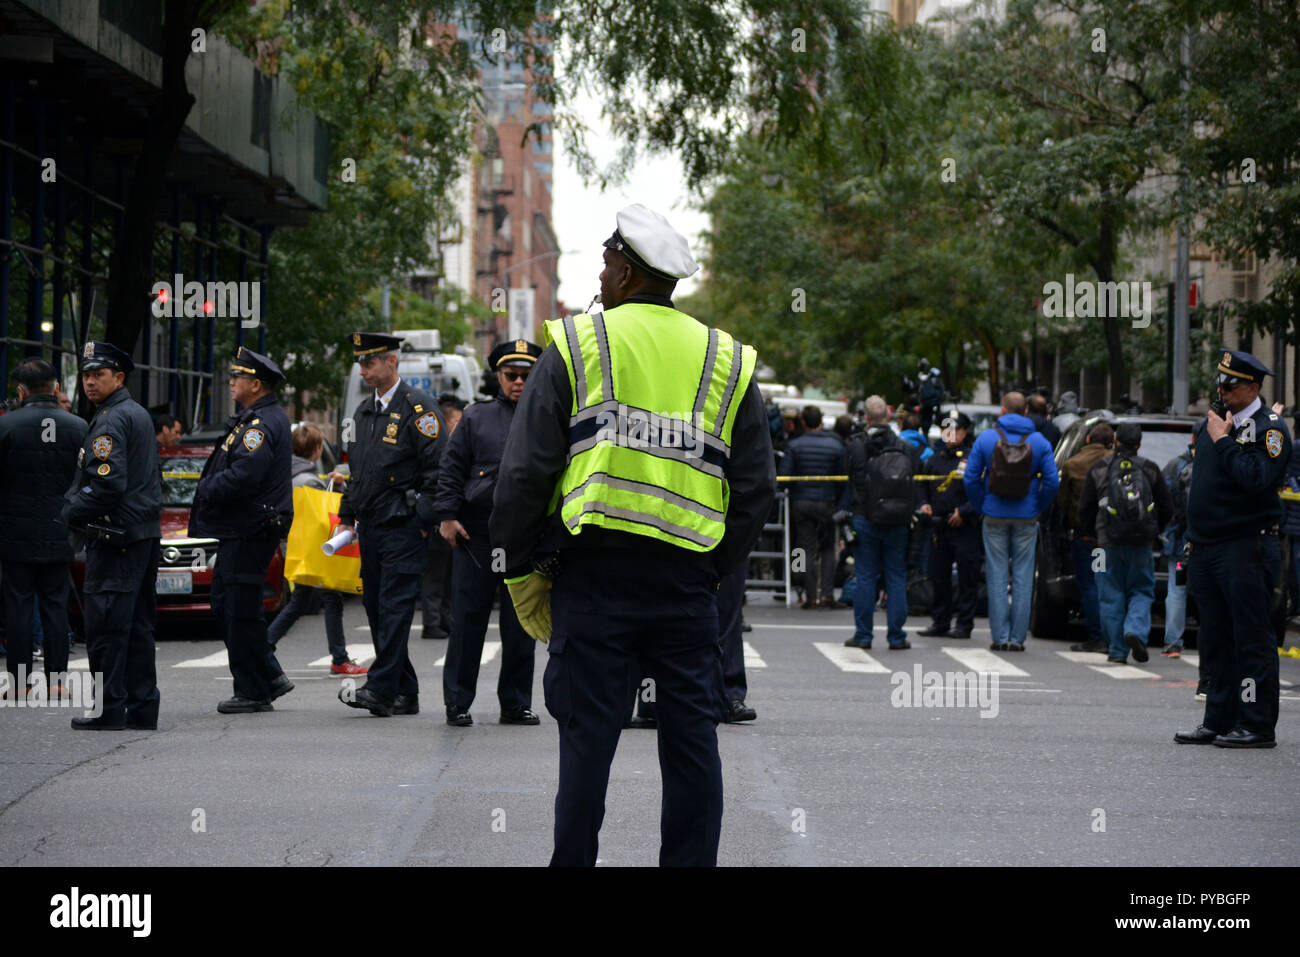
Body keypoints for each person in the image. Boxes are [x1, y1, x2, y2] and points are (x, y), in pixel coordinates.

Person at [490, 203, 775, 866]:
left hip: (593, 581)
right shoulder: (727, 359)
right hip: (686, 588)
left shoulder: (575, 345)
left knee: (586, 749)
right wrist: (712, 568)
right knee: (692, 748)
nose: (598, 275)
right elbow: (756, 489)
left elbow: (525, 474)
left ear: (622, 271)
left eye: (603, 264)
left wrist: (519, 568)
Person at [1175, 349, 1291, 749]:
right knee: (1215, 637)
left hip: (1246, 546)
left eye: (1231, 384)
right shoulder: (1216, 423)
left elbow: (1256, 479)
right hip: (1208, 547)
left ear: (1254, 388)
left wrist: (1224, 442)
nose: (1221, 390)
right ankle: (1218, 718)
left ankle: (1256, 724)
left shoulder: (1269, 429)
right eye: (1220, 382)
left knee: (1251, 639)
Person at [434, 338, 542, 727]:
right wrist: (446, 515)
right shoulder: (476, 418)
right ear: (498, 376)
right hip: (476, 534)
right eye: (511, 375)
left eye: (527, 376)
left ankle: (515, 703)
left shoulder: (547, 416)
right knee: (467, 621)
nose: (519, 382)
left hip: (525, 536)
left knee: (520, 624)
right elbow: (451, 468)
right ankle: (457, 701)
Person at [336, 332, 445, 717]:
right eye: (361, 363)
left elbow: (438, 471)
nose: (364, 370)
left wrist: (422, 521)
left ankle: (380, 689)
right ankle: (406, 691)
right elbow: (357, 473)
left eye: (370, 362)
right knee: (377, 610)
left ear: (392, 362)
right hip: (372, 528)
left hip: (404, 527)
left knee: (394, 608)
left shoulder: (419, 408)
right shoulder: (364, 413)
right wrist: (346, 516)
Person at [61, 341, 161, 730]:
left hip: (115, 536)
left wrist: (69, 510)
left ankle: (108, 710)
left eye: (98, 374)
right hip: (139, 535)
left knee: (106, 627)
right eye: (86, 375)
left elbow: (106, 484)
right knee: (136, 626)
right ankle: (141, 708)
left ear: (118, 377)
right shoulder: (133, 413)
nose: (89, 382)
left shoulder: (111, 419)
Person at [190, 347, 294, 714]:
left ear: (256, 384)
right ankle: (267, 675)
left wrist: (204, 488)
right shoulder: (254, 417)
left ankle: (253, 689)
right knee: (228, 603)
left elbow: (247, 475)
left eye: (238, 377)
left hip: (251, 526)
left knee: (239, 608)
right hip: (244, 526)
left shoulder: (260, 424)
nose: (231, 382)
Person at [0, 359, 87, 697]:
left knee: (18, 606)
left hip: (14, 532)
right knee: (56, 604)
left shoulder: (7, 426)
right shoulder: (79, 426)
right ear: (55, 388)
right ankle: (57, 681)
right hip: (61, 530)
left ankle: (20, 683)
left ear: (20, 391)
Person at [265, 423, 366, 676]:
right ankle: (339, 658)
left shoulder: (284, 474)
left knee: (300, 602)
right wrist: (342, 488)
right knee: (331, 600)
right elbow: (326, 517)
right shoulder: (310, 481)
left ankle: (264, 645)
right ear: (318, 449)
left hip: (294, 548)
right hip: (315, 550)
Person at [963, 391, 1060, 651]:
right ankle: (1017, 638)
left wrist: (980, 505)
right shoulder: (1039, 441)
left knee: (996, 576)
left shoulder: (987, 438)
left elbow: (970, 478)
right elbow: (1052, 481)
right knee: (1023, 576)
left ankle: (1000, 636)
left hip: (993, 513)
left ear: (1003, 411)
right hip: (1026, 515)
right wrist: (1037, 505)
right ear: (1026, 412)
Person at [1077, 422, 1173, 663]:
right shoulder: (1150, 469)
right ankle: (1135, 630)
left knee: (1108, 594)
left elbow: (1085, 508)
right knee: (1141, 589)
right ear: (1139, 444)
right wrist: (1154, 531)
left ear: (1116, 442)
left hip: (1103, 546)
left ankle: (1117, 650)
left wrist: (1090, 534)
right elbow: (1167, 507)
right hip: (1141, 544)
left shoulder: (1099, 468)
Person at [842, 395, 920, 651]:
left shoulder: (856, 445)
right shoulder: (904, 445)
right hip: (898, 519)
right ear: (888, 416)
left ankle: (863, 635)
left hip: (865, 517)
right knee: (896, 576)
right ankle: (897, 636)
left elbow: (850, 480)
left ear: (865, 417)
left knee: (865, 576)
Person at [917, 410, 978, 640]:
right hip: (939, 526)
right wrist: (923, 504)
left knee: (967, 577)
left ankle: (964, 623)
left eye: (955, 430)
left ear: (964, 432)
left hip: (964, 525)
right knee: (938, 576)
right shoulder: (934, 458)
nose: (950, 435)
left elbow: (981, 490)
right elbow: (921, 485)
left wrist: (964, 511)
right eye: (946, 430)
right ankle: (940, 620)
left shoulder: (972, 458)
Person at [780, 405, 847, 609]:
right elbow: (843, 479)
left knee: (805, 547)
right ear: (821, 421)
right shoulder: (836, 445)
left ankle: (810, 597)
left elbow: (784, 477)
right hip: (827, 502)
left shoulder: (794, 445)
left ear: (803, 422)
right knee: (828, 548)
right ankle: (827, 593)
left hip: (801, 502)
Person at [1058, 423, 1115, 654]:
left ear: (1088, 438)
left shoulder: (1073, 464)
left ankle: (1097, 635)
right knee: (1108, 584)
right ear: (1112, 442)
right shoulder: (1117, 462)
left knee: (1091, 585)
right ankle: (1113, 634)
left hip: (1086, 535)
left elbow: (1062, 502)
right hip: (1112, 535)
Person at [1160, 439, 1195, 659]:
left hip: (1181, 542)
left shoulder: (1175, 466)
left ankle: (1173, 643)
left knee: (1177, 589)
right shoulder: (1221, 461)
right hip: (1211, 541)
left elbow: (1163, 502)